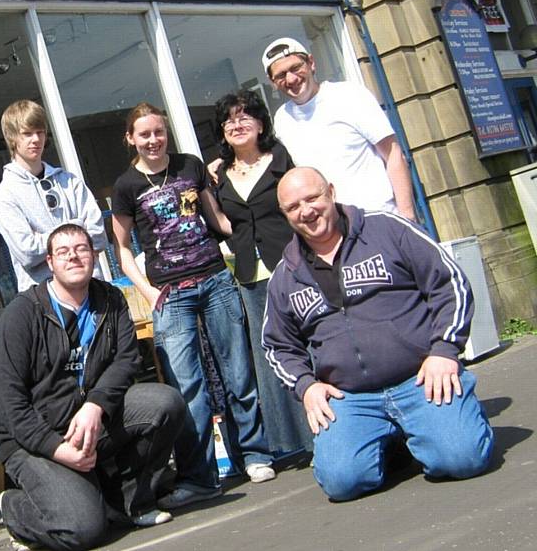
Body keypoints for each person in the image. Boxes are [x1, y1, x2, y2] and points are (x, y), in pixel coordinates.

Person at [262, 167, 494, 501]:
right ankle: (394, 441)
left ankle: (448, 422)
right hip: (352, 399)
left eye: (312, 198)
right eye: (293, 207)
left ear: (331, 190)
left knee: (464, 458)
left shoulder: (386, 229)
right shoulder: (286, 276)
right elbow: (276, 345)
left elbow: (449, 283)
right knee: (343, 482)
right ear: (285, 215)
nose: (306, 211)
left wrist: (444, 350)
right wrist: (306, 386)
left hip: (420, 380)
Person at [111, 102, 275, 510]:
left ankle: (253, 456)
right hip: (170, 295)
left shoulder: (190, 166)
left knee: (238, 373)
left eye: (159, 132)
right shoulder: (126, 186)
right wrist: (149, 293)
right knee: (189, 390)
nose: (153, 140)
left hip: (215, 279)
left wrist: (256, 223)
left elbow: (217, 218)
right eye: (144, 134)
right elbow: (123, 251)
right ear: (131, 138)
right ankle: (202, 476)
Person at [0, 223, 185, 551]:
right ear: (50, 263)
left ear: (94, 255)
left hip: (86, 419)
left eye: (81, 249)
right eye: (63, 252)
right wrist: (56, 448)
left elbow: (127, 361)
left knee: (165, 404)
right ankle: (16, 510)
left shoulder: (109, 298)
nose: (74, 257)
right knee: (83, 531)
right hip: (30, 437)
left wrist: (95, 405)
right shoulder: (24, 313)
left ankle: (129, 503)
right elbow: (8, 401)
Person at [212, 89, 312, 455]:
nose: (237, 125)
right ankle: (290, 438)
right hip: (250, 277)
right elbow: (220, 221)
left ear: (259, 123)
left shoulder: (282, 159)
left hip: (293, 266)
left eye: (244, 117)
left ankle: (324, 426)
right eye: (229, 120)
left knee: (306, 345)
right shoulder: (218, 174)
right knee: (268, 353)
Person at [261, 37, 416, 221]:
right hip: (329, 228)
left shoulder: (349, 95)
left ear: (311, 63)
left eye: (296, 68)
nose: (291, 79)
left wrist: (407, 217)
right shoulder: (282, 119)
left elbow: (393, 155)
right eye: (281, 75)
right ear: (272, 82)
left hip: (376, 216)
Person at [0, 99, 107, 292]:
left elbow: (98, 237)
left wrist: (44, 239)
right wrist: (76, 227)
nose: (36, 139)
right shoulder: (5, 195)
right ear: (12, 138)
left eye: (40, 132)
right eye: (27, 134)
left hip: (92, 291)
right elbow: (27, 253)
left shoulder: (70, 182)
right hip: (44, 300)